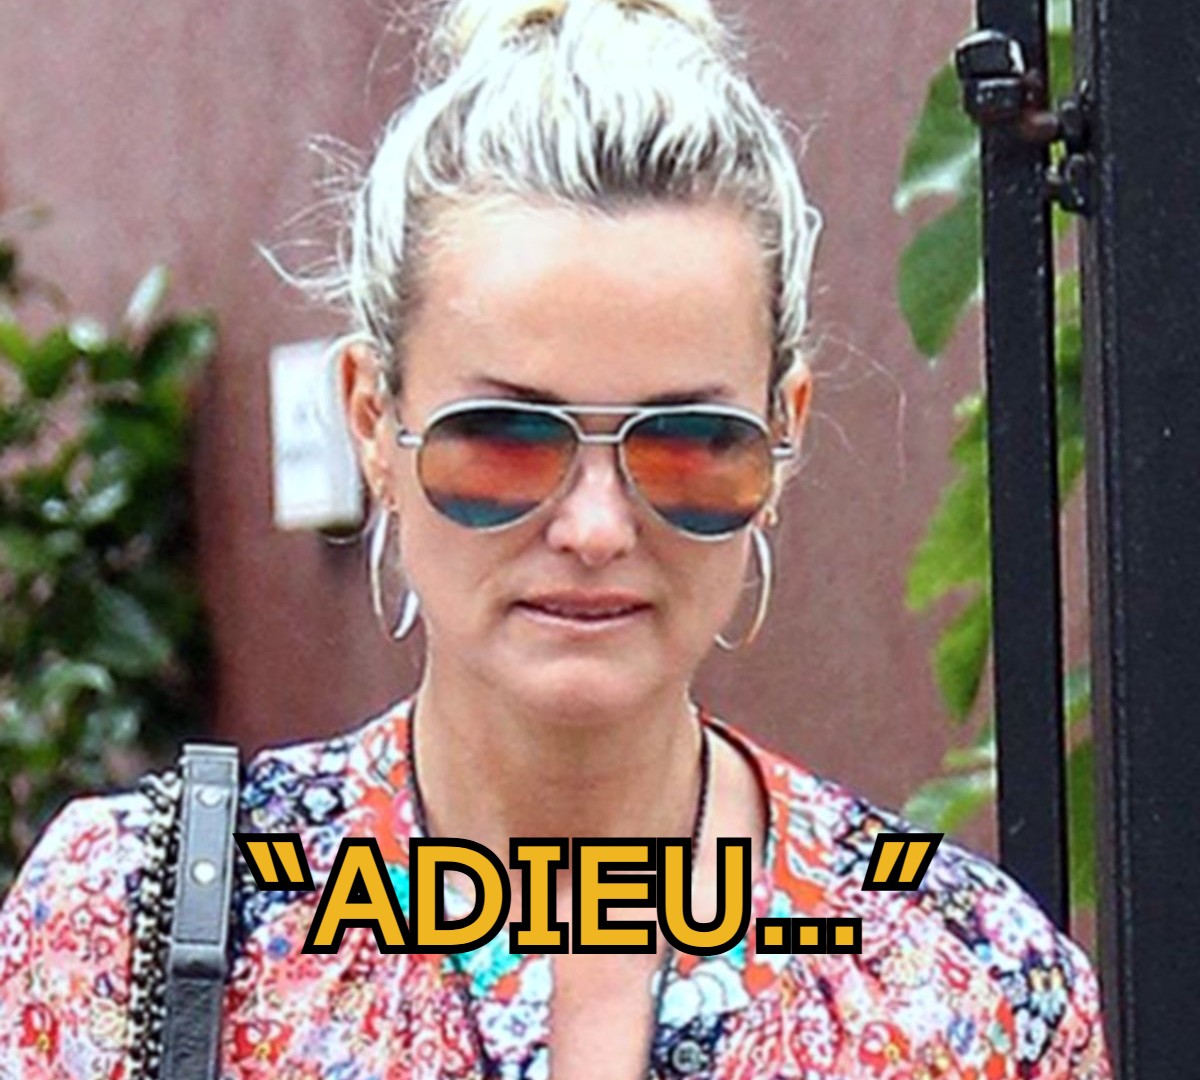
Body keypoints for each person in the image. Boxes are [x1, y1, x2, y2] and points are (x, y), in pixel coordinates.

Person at [0, 0, 1112, 1077]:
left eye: (688, 442)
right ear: (372, 422)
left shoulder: (961, 984)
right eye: (504, 439)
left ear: (784, 438)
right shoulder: (126, 930)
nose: (593, 528)